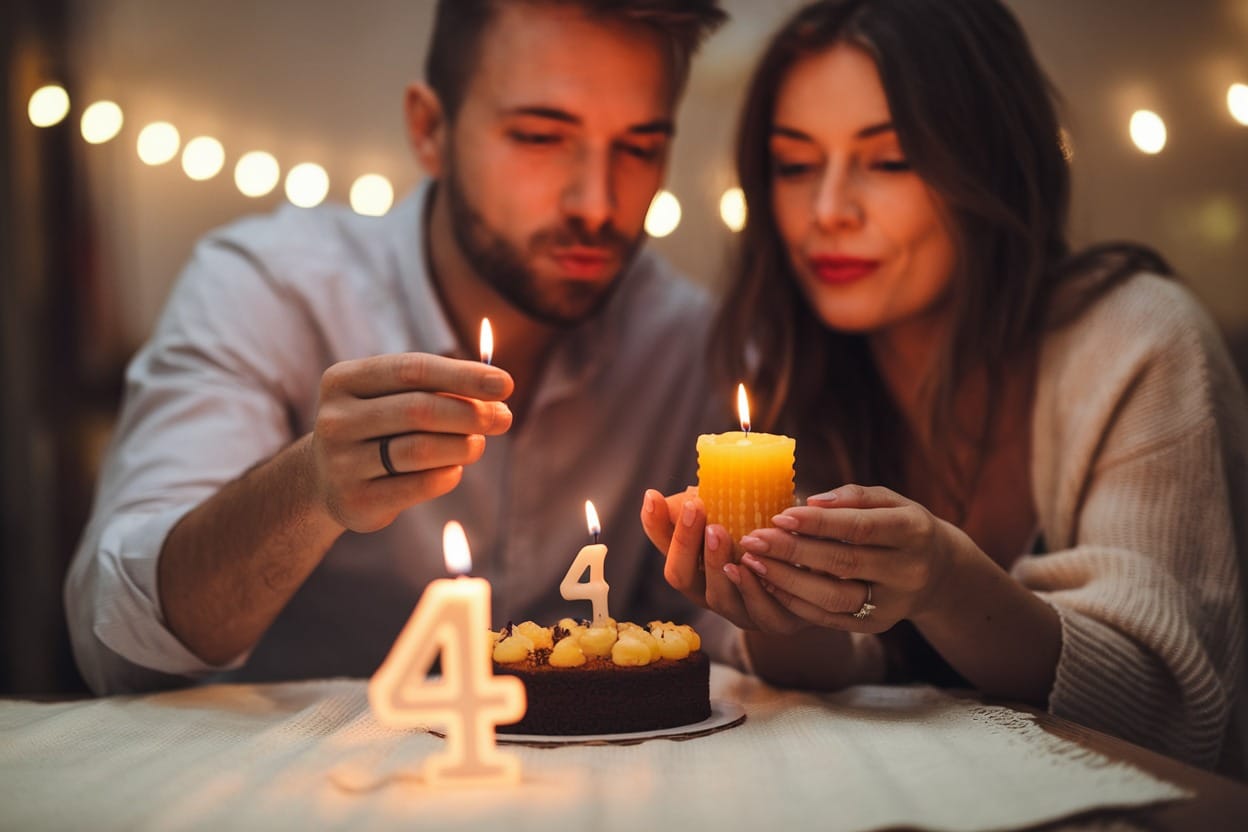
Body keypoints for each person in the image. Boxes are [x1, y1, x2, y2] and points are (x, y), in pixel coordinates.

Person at [642, 0, 1247, 771]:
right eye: (795, 165)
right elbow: (858, 669)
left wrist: (947, 580)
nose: (827, 211)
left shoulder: (1139, 342)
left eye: (889, 160)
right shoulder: (799, 361)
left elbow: (1173, 703)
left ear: (989, 162)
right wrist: (780, 618)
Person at [66, 0, 731, 695]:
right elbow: (118, 640)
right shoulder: (267, 288)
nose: (596, 203)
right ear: (430, 129)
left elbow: (722, 638)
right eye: (540, 136)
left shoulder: (684, 342)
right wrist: (312, 485)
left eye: (640, 147)